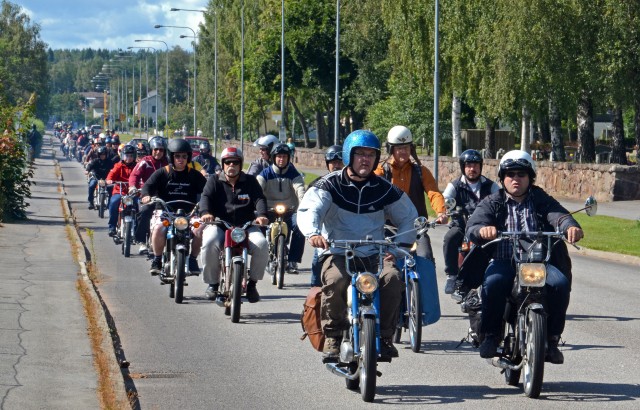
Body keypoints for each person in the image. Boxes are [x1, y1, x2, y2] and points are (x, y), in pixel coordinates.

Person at [298, 130, 418, 360]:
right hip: (339, 251)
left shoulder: (384, 188)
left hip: (375, 252)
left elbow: (408, 217)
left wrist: (397, 247)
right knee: (336, 280)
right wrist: (313, 232)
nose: (365, 159)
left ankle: (384, 335)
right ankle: (333, 336)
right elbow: (310, 209)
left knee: (393, 279)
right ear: (348, 155)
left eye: (371, 155)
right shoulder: (328, 185)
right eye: (360, 154)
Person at [465, 150, 583, 364]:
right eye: (510, 174)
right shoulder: (493, 201)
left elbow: (558, 215)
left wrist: (570, 226)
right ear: (502, 178)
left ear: (530, 177)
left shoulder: (540, 199)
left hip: (538, 264)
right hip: (505, 262)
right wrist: (482, 229)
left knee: (561, 284)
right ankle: (491, 336)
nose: (515, 179)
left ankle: (552, 339)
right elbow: (474, 223)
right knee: (493, 283)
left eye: (521, 174)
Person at [198, 147, 269, 302]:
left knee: (262, 244)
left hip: (247, 225)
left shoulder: (250, 181)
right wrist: (205, 213)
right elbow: (205, 197)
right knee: (209, 242)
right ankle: (213, 284)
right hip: (220, 225)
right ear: (223, 164)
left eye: (235, 162)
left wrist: (262, 215)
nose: (231, 165)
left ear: (240, 164)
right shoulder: (214, 180)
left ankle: (252, 284)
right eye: (228, 162)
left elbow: (259, 199)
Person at [374, 125, 448, 262]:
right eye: (399, 148)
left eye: (406, 147)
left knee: (426, 258)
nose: (403, 151)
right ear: (391, 149)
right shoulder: (380, 171)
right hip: (387, 229)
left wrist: (441, 212)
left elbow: (434, 193)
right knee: (383, 262)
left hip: (416, 229)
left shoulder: (421, 171)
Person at [141, 138, 208, 276]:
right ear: (171, 156)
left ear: (188, 157)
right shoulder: (162, 172)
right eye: (177, 156)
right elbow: (147, 186)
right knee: (159, 227)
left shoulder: (194, 175)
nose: (181, 159)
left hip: (189, 213)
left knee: (200, 228)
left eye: (184, 156)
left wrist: (209, 204)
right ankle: (157, 259)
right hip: (165, 211)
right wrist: (146, 195)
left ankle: (193, 259)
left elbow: (208, 191)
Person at [441, 149, 499, 294]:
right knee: (450, 238)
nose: (472, 169)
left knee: (501, 242)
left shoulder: (490, 186)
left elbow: (501, 200)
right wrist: (444, 213)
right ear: (463, 167)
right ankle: (452, 275)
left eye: (475, 165)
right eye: (468, 165)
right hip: (461, 225)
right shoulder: (454, 185)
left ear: (481, 166)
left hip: (483, 227)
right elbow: (445, 200)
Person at [257, 143, 306, 274]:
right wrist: (255, 207)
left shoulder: (294, 174)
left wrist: (303, 208)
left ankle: (293, 260)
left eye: (284, 156)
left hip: (289, 211)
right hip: (269, 211)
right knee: (257, 228)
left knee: (300, 226)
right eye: (279, 156)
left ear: (288, 158)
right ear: (273, 157)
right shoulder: (265, 174)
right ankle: (262, 256)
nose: (281, 159)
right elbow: (257, 191)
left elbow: (300, 190)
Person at [308, 145, 343, 287]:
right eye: (333, 162)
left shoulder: (352, 184)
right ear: (327, 164)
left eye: (339, 162)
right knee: (317, 269)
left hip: (349, 236)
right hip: (325, 237)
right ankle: (314, 302)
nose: (336, 165)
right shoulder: (318, 185)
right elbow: (310, 209)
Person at [129, 136, 169, 254]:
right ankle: (142, 241)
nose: (158, 152)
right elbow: (134, 175)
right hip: (148, 195)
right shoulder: (145, 162)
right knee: (145, 211)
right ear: (151, 149)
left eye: (161, 150)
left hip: (165, 196)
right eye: (156, 149)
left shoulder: (168, 162)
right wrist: (132, 186)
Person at [106, 145, 137, 236]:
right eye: (127, 155)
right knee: (114, 202)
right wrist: (109, 180)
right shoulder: (118, 165)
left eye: (131, 156)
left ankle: (138, 229)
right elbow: (111, 174)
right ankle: (112, 226)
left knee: (140, 205)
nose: (129, 158)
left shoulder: (137, 166)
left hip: (134, 193)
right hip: (120, 191)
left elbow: (142, 176)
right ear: (123, 156)